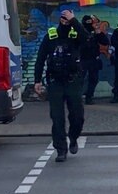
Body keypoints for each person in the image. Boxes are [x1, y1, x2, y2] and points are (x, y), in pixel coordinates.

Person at [33, 9, 88, 162]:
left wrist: (74, 21)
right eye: (63, 18)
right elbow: (40, 59)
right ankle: (61, 149)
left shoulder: (76, 35)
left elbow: (87, 38)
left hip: (73, 81)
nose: (65, 20)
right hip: (55, 82)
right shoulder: (51, 36)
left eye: (68, 18)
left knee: (77, 116)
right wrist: (37, 80)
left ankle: (74, 137)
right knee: (57, 118)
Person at [80, 15, 110, 105]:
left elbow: (105, 42)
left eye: (90, 22)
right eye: (87, 22)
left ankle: (89, 97)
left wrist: (99, 32)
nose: (89, 24)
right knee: (80, 79)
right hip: (83, 59)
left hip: (94, 59)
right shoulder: (80, 32)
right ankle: (76, 97)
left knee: (93, 79)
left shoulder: (95, 32)